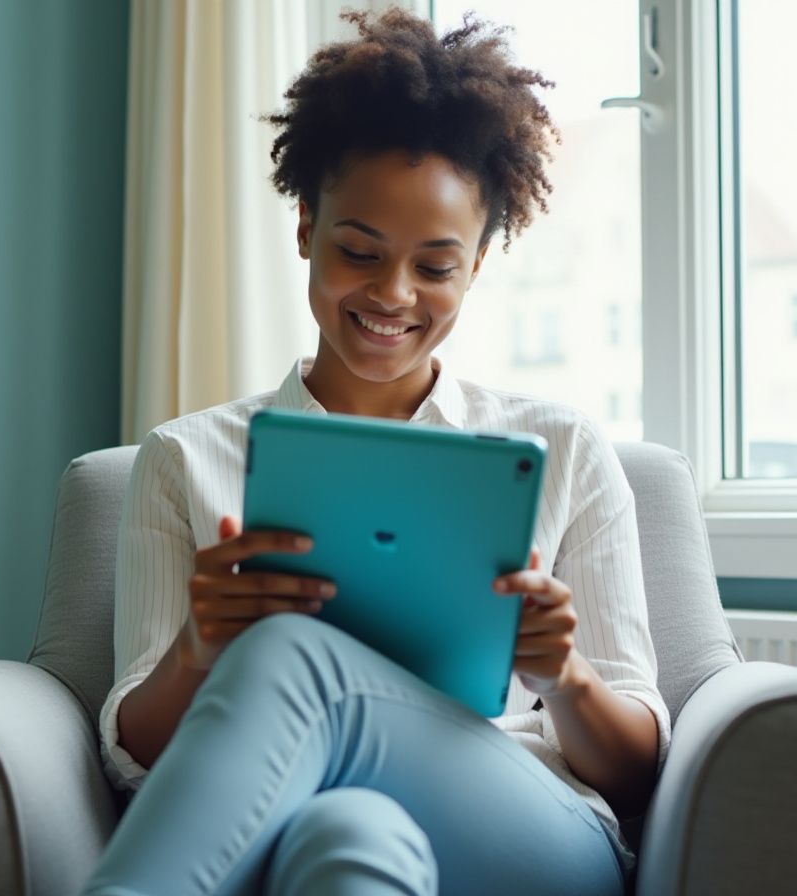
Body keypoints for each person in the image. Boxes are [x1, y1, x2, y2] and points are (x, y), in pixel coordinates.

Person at [83, 10, 666, 896]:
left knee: (288, 656)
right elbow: (140, 763)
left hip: (531, 833)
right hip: (297, 829)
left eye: (435, 266)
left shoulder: (563, 450)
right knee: (348, 840)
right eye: (359, 251)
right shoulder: (184, 459)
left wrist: (563, 675)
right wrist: (199, 646)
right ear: (307, 228)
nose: (393, 294)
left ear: (477, 264)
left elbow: (637, 770)